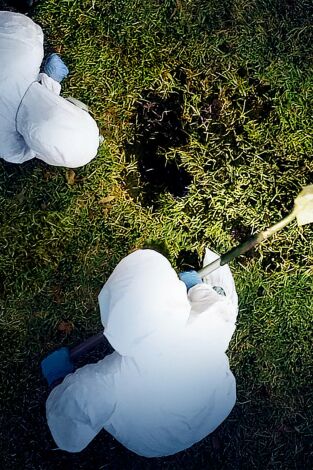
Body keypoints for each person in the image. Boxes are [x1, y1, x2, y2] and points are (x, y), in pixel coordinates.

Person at [41, 248, 238, 457]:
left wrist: (58, 380)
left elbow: (70, 432)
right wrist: (196, 287)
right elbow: (219, 311)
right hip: (215, 403)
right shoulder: (202, 326)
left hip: (156, 439)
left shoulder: (107, 380)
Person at [0, 11, 99, 167]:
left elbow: (14, 24)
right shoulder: (8, 146)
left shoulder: (28, 43)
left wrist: (50, 81)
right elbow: (24, 151)